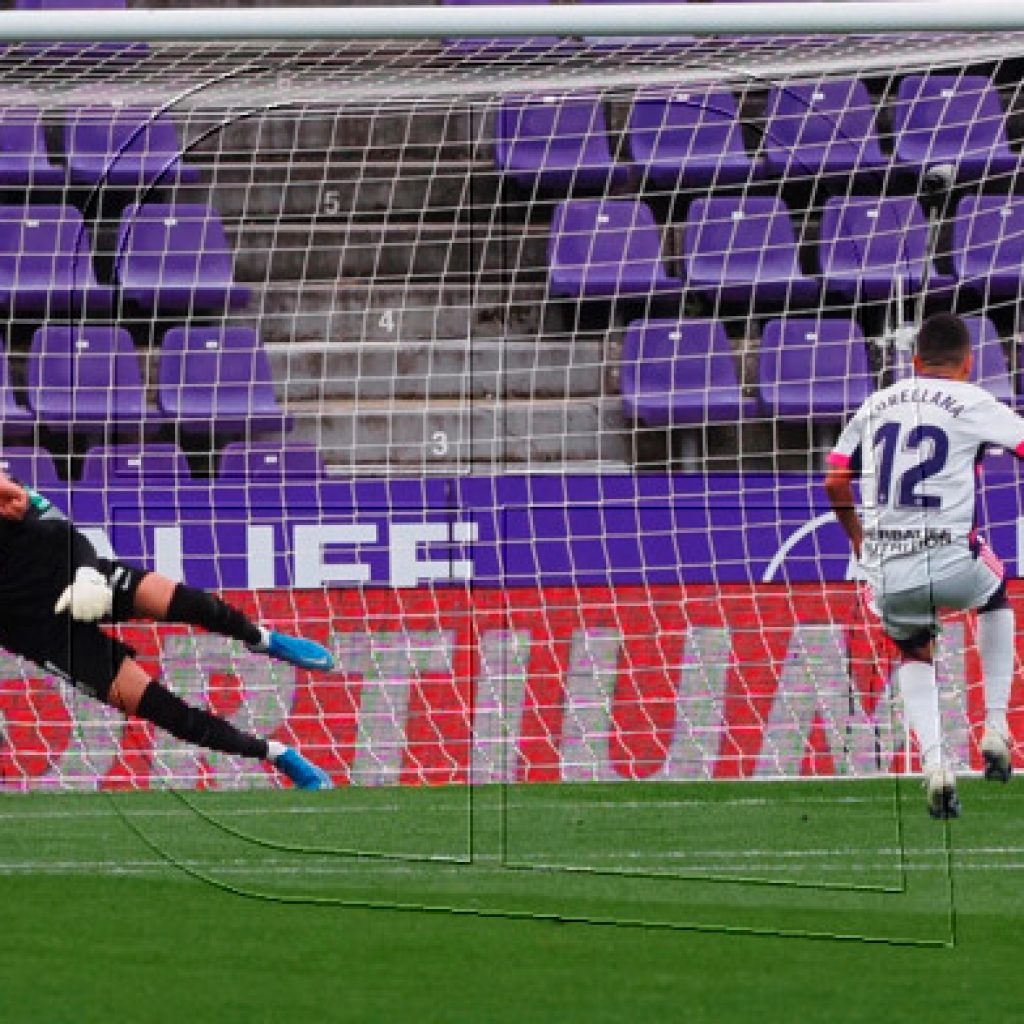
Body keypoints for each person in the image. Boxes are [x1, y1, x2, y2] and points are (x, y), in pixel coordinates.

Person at [0, 469, 334, 790]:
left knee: (191, 604)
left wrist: (86, 575)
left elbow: (65, 533)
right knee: (167, 712)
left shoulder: (5, 492)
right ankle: (277, 754)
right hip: (43, 634)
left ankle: (261, 639)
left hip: (78, 580)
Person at [824, 312, 1018, 818]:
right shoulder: (972, 400)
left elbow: (835, 479)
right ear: (968, 362)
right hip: (953, 558)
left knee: (913, 650)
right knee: (995, 596)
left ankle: (935, 764)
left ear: (913, 361)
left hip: (889, 569)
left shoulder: (876, 402)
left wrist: (858, 542)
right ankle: (995, 726)